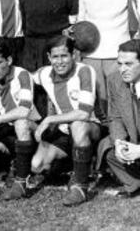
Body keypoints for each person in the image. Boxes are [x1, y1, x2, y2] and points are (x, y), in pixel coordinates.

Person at [13, 36, 100, 206]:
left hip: (91, 127)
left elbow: (84, 113)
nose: (59, 62)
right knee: (37, 165)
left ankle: (80, 187)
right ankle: (77, 168)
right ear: (48, 57)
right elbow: (25, 77)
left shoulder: (84, 71)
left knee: (78, 125)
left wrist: (49, 119)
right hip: (64, 131)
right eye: (55, 57)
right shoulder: (45, 73)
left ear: (73, 55)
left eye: (64, 56)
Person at [77, 0, 140, 123]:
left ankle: (123, 139)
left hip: (118, 54)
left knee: (122, 101)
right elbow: (80, 23)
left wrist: (137, 38)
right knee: (98, 104)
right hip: (91, 55)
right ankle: (104, 143)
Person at [0, 41, 40, 197]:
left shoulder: (22, 75)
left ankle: (21, 181)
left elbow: (24, 110)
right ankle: (10, 162)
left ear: (9, 61)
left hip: (33, 128)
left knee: (20, 123)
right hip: (7, 129)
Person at [20, 0, 78, 117]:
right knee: (35, 91)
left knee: (60, 89)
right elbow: (25, 24)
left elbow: (73, 25)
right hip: (33, 48)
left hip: (57, 47)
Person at [98, 39, 140, 197]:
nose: (123, 69)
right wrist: (119, 142)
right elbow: (114, 117)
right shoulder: (115, 80)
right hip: (135, 139)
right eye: (120, 64)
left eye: (129, 64)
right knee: (109, 150)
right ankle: (135, 184)